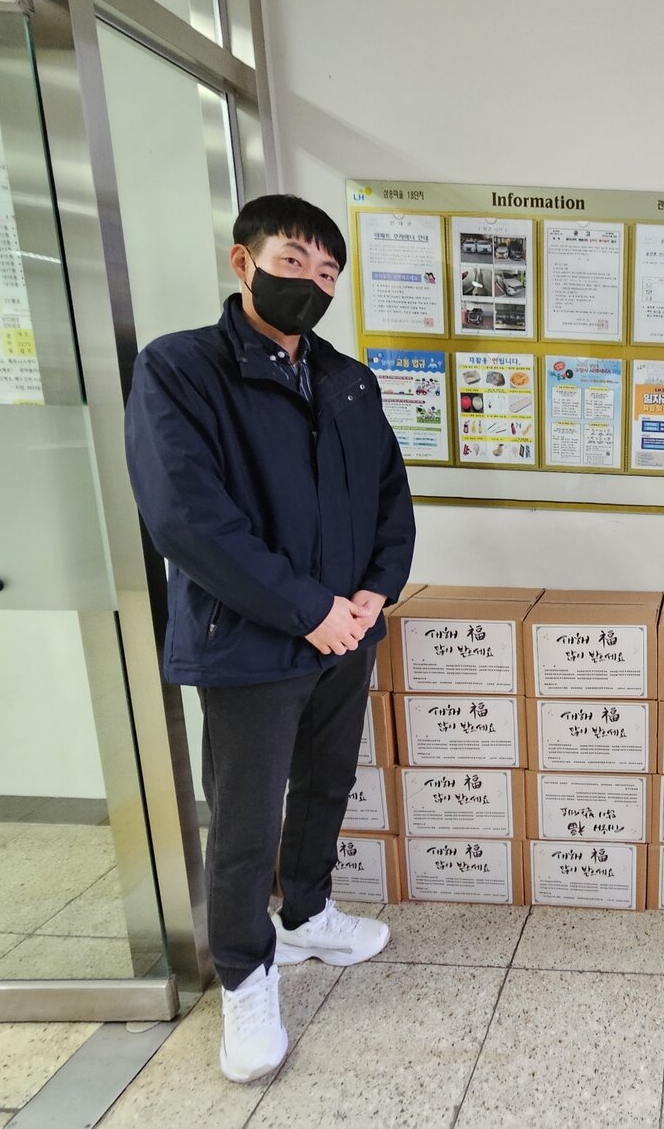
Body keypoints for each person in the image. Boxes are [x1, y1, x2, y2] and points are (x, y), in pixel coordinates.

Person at [125, 194, 415, 1081]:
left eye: (327, 273)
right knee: (246, 821)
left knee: (326, 782)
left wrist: (372, 595)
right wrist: (310, 610)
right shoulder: (181, 369)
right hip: (250, 640)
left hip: (345, 631)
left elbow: (390, 498)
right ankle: (247, 979)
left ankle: (308, 915)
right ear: (243, 262)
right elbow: (187, 518)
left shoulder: (348, 380)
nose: (310, 284)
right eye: (293, 261)